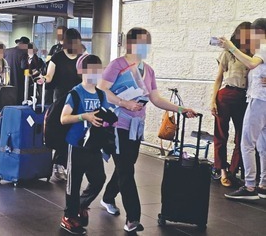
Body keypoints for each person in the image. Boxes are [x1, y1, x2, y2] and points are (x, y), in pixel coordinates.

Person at [98, 28, 197, 232]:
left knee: (125, 166)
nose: (145, 47)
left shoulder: (148, 70)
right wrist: (124, 103)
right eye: (141, 43)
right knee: (127, 170)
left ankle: (108, 197)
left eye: (147, 43)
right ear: (130, 44)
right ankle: (133, 218)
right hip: (117, 124)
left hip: (136, 126)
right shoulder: (117, 65)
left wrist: (181, 109)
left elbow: (156, 99)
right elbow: (102, 90)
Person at [59, 54, 111, 235]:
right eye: (93, 70)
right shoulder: (75, 93)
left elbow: (105, 115)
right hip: (76, 145)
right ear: (83, 71)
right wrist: (84, 116)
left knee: (99, 179)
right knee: (73, 184)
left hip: (93, 146)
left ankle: (80, 205)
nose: (96, 73)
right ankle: (68, 216)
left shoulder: (100, 94)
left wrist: (107, 121)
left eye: (99, 69)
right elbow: (63, 118)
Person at [222, 18, 266, 200]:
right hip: (261, 101)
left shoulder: (263, 48)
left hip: (259, 100)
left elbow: (251, 64)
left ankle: (249, 186)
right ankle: (263, 183)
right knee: (263, 144)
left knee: (247, 142)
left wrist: (231, 47)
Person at [211, 22, 252, 187]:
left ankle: (233, 171)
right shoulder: (228, 53)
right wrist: (212, 99)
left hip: (244, 97)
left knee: (242, 136)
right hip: (226, 94)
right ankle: (222, 171)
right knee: (221, 134)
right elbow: (219, 78)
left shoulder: (253, 56)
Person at [39, 28, 83, 181]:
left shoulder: (82, 58)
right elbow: (49, 76)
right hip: (61, 100)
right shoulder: (57, 57)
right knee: (61, 132)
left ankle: (65, 163)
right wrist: (43, 79)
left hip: (78, 98)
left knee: (75, 132)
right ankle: (59, 163)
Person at [4, 36, 29, 104]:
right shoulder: (23, 53)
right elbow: (23, 66)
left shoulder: (6, 51)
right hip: (18, 80)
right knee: (17, 101)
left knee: (7, 100)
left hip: (6, 80)